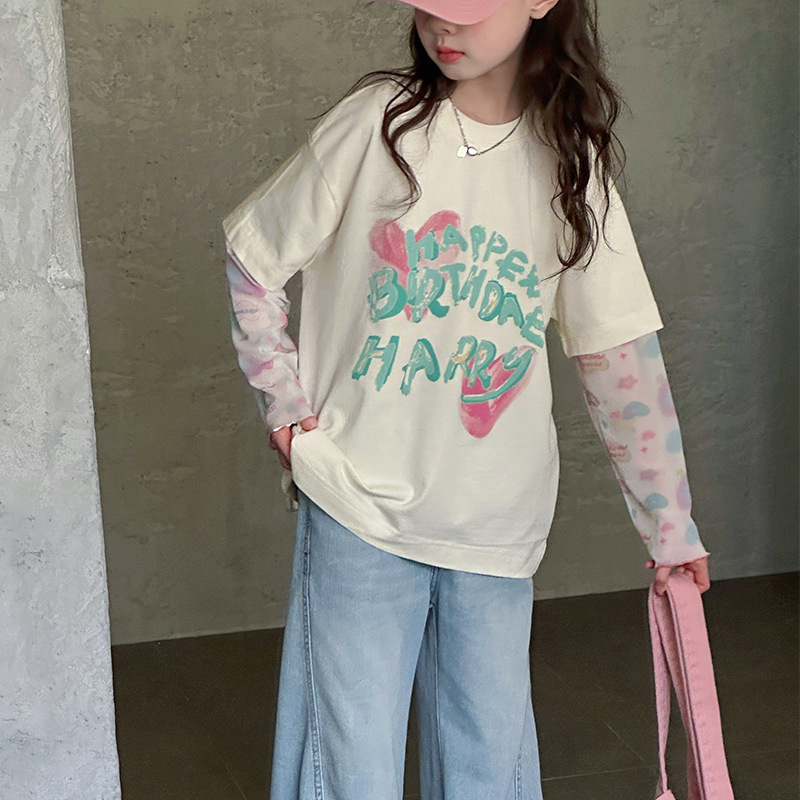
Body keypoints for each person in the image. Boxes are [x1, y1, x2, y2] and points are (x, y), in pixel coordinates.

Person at [221, 1, 712, 797]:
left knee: (488, 765)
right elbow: (253, 259)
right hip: (356, 503)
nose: (441, 26)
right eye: (428, 6)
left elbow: (619, 360)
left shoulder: (571, 166)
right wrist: (284, 405)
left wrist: (670, 528)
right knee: (345, 767)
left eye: (466, 8)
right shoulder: (375, 125)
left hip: (494, 521)